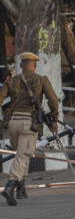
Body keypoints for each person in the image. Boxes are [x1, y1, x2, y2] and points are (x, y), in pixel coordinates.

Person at [0, 52, 59, 205]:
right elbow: (53, 100)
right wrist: (54, 119)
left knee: (21, 154)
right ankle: (10, 185)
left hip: (13, 123)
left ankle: (21, 189)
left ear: (21, 65)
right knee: (22, 156)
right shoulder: (41, 80)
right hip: (29, 123)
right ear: (34, 65)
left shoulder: (11, 81)